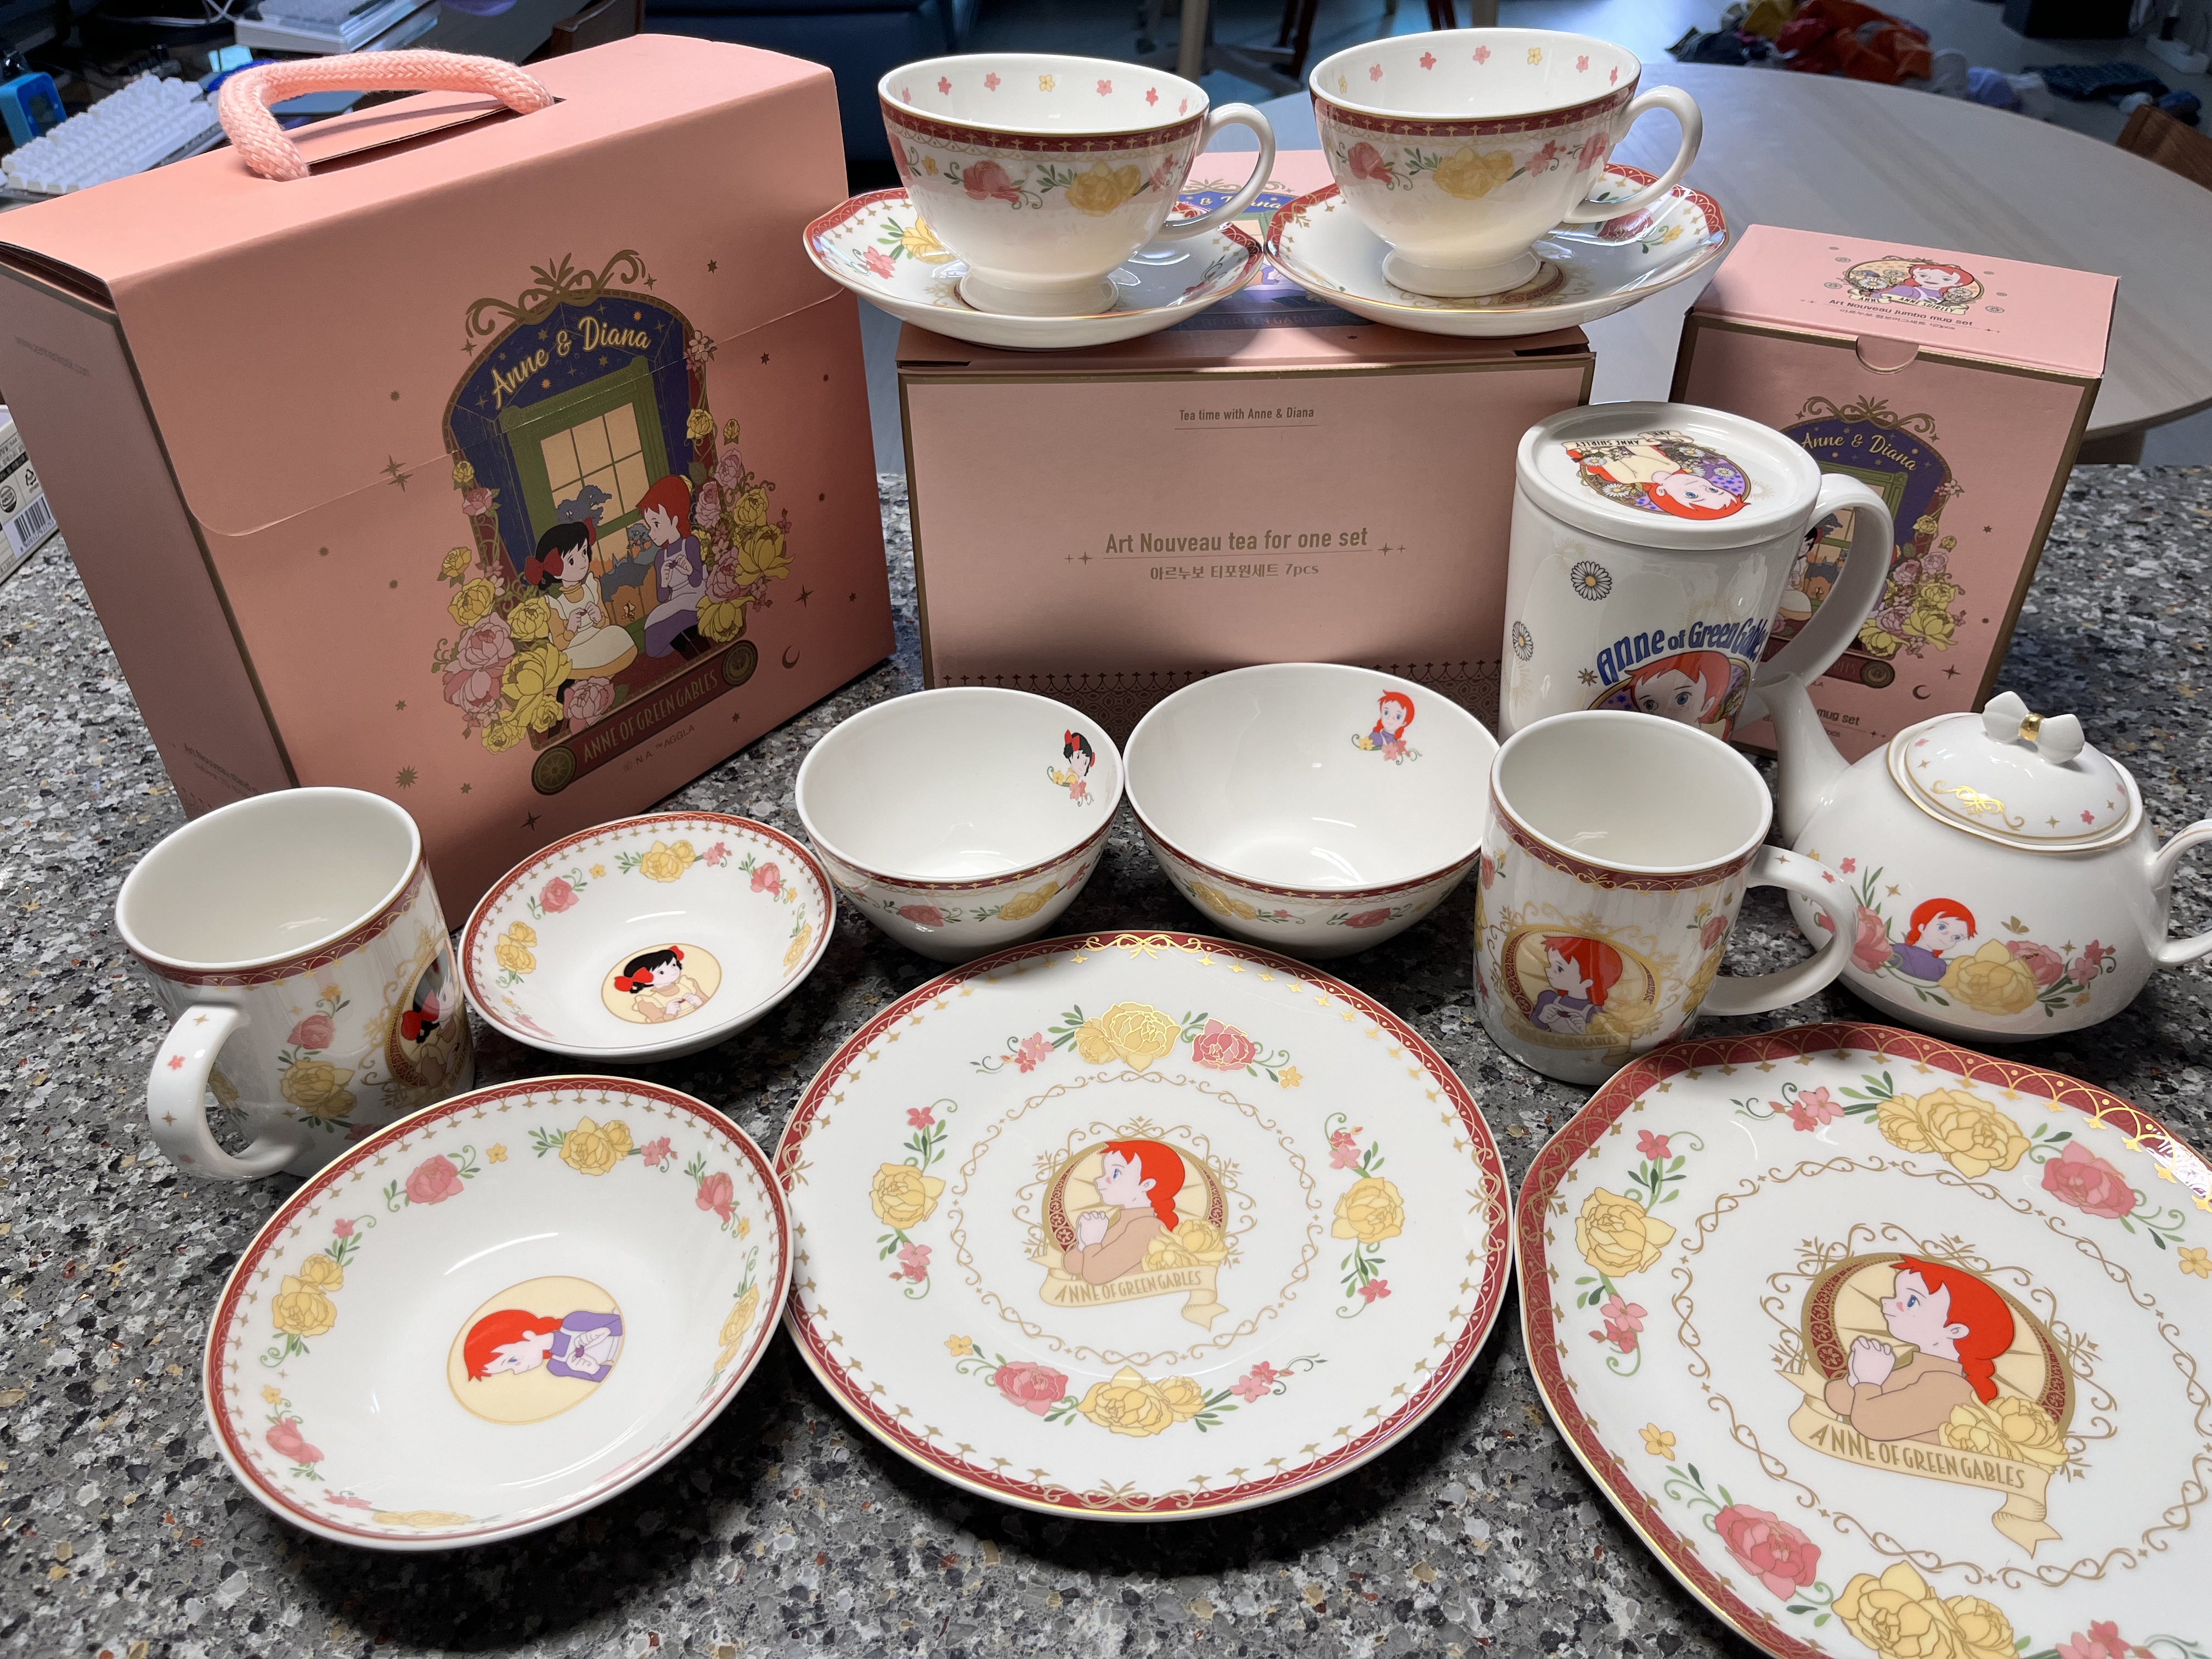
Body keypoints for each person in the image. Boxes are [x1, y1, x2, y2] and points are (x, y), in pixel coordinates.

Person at [1822, 1257, 2012, 1442]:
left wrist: (1868, 1381)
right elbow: (1840, 1402)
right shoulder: (1913, 1371)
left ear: (1955, 1330)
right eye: (1897, 1296)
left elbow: (1872, 1424)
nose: (1886, 1302)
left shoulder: (1950, 1388)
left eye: (1911, 1301)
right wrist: (1858, 1377)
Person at [1060, 1138, 1186, 1285]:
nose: (1099, 1180)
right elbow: (1072, 1267)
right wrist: (1084, 1243)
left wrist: (1092, 1242)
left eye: (1115, 1174)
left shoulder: (1148, 1228)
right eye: (1105, 1173)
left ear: (1147, 1184)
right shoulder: (1124, 1223)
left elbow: (1095, 1275)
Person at [527, 522, 635, 680]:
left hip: (599, 640)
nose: (583, 562)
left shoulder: (592, 587)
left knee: (619, 636)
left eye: (584, 552)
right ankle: (599, 681)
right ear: (555, 570)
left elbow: (606, 623)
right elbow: (559, 644)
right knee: (574, 662)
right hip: (576, 649)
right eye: (571, 561)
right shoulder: (555, 605)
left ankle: (601, 681)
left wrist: (599, 618)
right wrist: (570, 629)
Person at [1567, 433, 1748, 521]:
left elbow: (1603, 458)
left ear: (1662, 492)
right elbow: (1640, 446)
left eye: (1692, 495)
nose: (1699, 486)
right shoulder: (1673, 466)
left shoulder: (1629, 478)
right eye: (1712, 490)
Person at [638, 476, 707, 659]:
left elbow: (697, 581)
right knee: (654, 630)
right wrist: (664, 581)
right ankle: (697, 656)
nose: (652, 533)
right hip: (676, 600)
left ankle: (700, 655)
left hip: (697, 595)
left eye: (656, 524)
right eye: (649, 526)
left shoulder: (690, 543)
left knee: (677, 621)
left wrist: (689, 569)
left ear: (674, 519)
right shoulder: (661, 557)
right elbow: (662, 598)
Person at [462, 1306, 625, 1383]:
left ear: (527, 1335)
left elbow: (624, 1323)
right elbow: (609, 1379)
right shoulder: (557, 1367)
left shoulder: (573, 1323)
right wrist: (594, 1369)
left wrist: (604, 1333)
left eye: (512, 1360)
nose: (517, 1371)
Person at [1532, 935, 1623, 1036]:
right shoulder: (1548, 999)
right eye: (1551, 965)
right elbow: (1531, 1031)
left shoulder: (1594, 1013)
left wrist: (1587, 1031)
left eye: (1560, 969)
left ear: (1588, 981)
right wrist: (1541, 1018)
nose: (1547, 970)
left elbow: (1608, 1040)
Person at [1623, 651, 1733, 727]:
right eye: (1649, 705)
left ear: (1706, 706)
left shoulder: (1714, 734)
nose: (1663, 713)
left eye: (1682, 699)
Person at [613, 946, 709, 1022]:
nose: (674, 970)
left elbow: (711, 1006)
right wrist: (669, 1014)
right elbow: (657, 1027)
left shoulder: (689, 984)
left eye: (673, 965)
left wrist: (700, 1002)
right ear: (646, 979)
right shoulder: (647, 1002)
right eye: (661, 972)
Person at [1890, 898, 1974, 981]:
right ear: (1922, 927)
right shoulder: (1900, 950)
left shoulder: (1941, 966)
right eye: (1942, 927)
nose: (1947, 938)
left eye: (1956, 937)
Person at [1871, 261, 1976, 306]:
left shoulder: (1942, 296)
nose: (1933, 280)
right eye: (1923, 276)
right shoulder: (1907, 290)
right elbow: (1876, 299)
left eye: (1946, 279)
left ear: (1957, 285)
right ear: (1915, 276)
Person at [1353, 691, 1417, 759]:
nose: (1389, 718)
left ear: (1404, 723)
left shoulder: (1397, 742)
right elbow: (1369, 757)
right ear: (1381, 715)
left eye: (1398, 717)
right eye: (1386, 713)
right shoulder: (1376, 737)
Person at [1048, 731, 1096, 802]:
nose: (1082, 765)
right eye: (1078, 756)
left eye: (1086, 763)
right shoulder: (1072, 776)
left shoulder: (1073, 777)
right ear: (1070, 755)